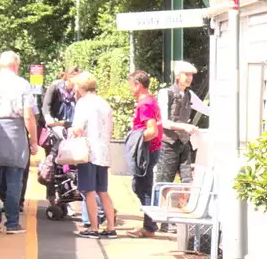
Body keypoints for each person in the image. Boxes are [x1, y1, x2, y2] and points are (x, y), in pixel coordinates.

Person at [0, 50, 36, 234]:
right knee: (14, 180)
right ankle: (12, 224)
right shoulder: (23, 85)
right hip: (15, 133)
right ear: (15, 65)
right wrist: (33, 141)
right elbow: (28, 116)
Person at [68, 71, 117, 238]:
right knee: (102, 191)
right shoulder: (104, 103)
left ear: (80, 87)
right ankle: (111, 227)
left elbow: (78, 128)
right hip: (103, 152)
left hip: (88, 152)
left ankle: (94, 228)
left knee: (89, 191)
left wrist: (70, 133)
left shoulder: (83, 103)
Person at [156, 60, 208, 185]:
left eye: (191, 75)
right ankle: (160, 205)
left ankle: (185, 204)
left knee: (188, 181)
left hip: (184, 143)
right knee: (164, 182)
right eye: (187, 74)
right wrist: (185, 126)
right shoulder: (165, 93)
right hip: (168, 144)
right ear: (178, 76)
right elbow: (163, 122)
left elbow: (205, 109)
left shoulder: (189, 94)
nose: (190, 78)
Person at [125, 70, 164, 236]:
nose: (129, 87)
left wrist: (138, 141)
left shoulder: (145, 104)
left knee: (144, 187)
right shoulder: (150, 100)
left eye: (130, 84)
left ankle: (149, 227)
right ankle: (150, 223)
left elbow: (152, 131)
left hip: (147, 152)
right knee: (140, 186)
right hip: (151, 150)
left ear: (138, 85)